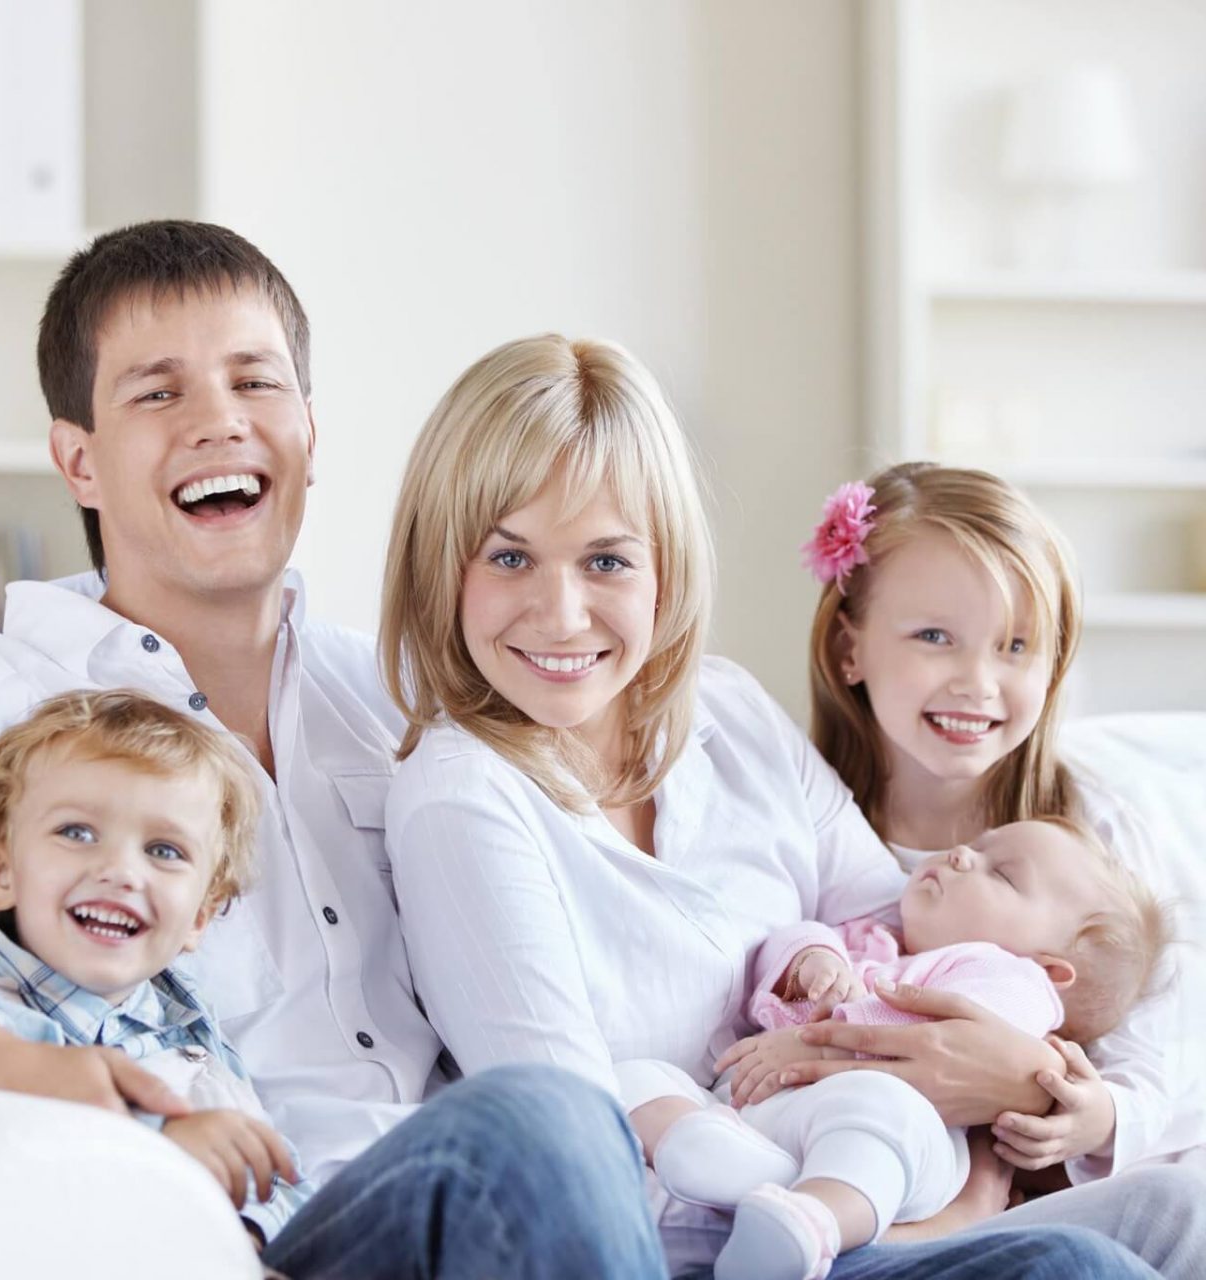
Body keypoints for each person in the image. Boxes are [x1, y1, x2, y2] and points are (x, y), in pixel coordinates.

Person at [0, 221, 667, 1280]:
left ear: (310, 435)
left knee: (996, 1254)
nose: (218, 422)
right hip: (263, 1233)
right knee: (546, 1120)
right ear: (77, 460)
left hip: (493, 1220)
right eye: (158, 391)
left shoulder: (400, 698)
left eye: (253, 383)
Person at [379, 331, 1175, 1279]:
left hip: (879, 1188)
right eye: (509, 558)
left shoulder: (727, 711)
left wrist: (1016, 1084)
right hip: (719, 1239)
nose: (561, 614)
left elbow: (898, 925)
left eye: (606, 562)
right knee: (1075, 1273)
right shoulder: (463, 797)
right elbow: (575, 1147)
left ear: (664, 566)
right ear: (442, 564)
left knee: (1184, 1204)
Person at [788, 463, 1205, 1266]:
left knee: (1182, 1208)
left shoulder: (1091, 827)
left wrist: (1069, 1100)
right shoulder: (806, 826)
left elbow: (1168, 1052)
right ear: (849, 647)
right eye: (935, 636)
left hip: (1070, 1187)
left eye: (1015, 647)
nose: (978, 683)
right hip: (870, 1184)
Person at [632, 817, 1167, 1280]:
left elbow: (942, 1033)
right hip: (762, 1110)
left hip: (887, 1127)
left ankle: (815, 1219)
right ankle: (705, 1153)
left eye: (1000, 873)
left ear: (1050, 969)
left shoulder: (1016, 981)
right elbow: (789, 942)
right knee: (638, 1076)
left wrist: (829, 1031)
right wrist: (812, 958)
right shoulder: (877, 937)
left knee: (880, 1116)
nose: (962, 855)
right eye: (977, 846)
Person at [0, 688, 313, 1253]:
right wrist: (167, 1155)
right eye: (77, 833)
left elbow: (269, 1173)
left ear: (199, 917)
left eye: (164, 851)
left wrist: (248, 1225)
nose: (120, 871)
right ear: (1, 869)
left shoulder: (188, 1023)